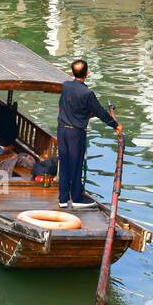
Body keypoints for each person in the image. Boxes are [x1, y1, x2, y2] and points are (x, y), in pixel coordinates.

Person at [55, 59, 120, 209]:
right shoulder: (87, 93)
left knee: (64, 164)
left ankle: (63, 199)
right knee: (76, 165)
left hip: (62, 130)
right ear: (87, 73)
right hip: (75, 133)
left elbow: (64, 107)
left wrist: (84, 115)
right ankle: (77, 198)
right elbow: (101, 113)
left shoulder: (66, 86)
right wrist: (115, 125)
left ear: (72, 72)